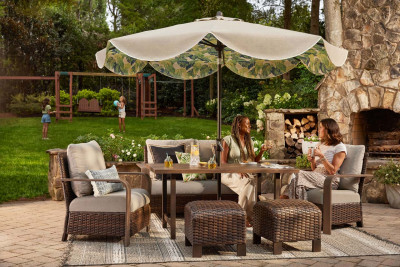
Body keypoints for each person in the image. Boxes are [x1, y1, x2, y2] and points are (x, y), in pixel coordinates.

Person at [221, 115, 270, 226]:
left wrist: (261, 151)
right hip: (228, 173)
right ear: (239, 125)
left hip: (244, 174)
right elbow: (223, 162)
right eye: (247, 123)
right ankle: (246, 217)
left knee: (250, 183)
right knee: (250, 182)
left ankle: (240, 217)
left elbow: (254, 161)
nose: (249, 126)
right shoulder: (228, 140)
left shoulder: (249, 141)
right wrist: (237, 170)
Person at [281, 118, 347, 200]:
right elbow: (314, 169)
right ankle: (292, 204)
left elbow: (332, 171)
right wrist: (312, 161)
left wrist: (321, 156)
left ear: (328, 129)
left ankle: (286, 203)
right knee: (296, 179)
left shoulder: (339, 147)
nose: (318, 130)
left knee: (299, 175)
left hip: (329, 180)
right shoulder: (321, 144)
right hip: (316, 176)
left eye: (320, 127)